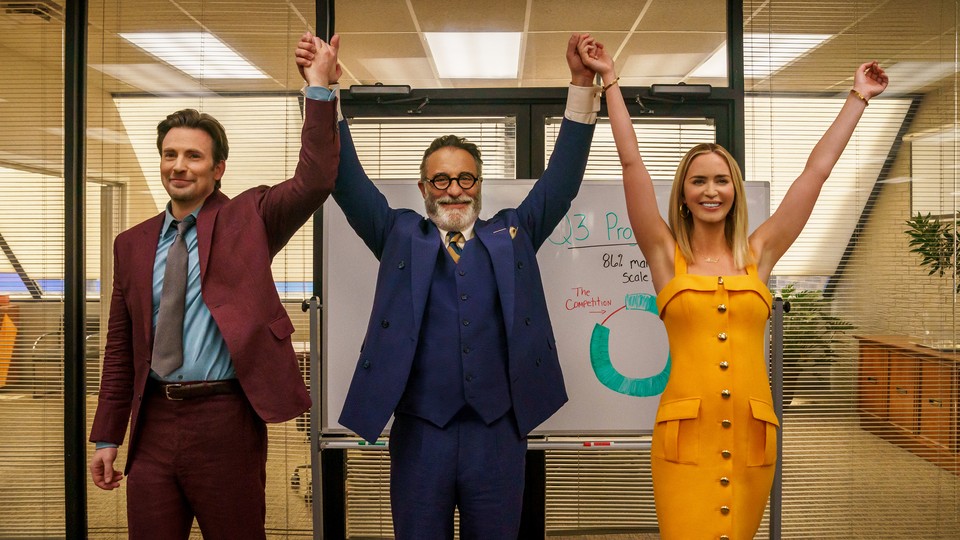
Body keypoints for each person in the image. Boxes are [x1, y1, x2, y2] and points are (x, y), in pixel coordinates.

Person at [577, 38, 887, 539]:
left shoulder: (758, 255)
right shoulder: (665, 255)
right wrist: (610, 82)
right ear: (683, 194)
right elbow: (633, 166)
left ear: (734, 190)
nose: (710, 191)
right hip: (684, 443)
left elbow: (816, 173)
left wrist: (858, 98)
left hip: (751, 437)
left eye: (721, 180)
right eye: (698, 181)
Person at [295, 32, 600, 539]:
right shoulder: (398, 235)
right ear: (422, 188)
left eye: (466, 179)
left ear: (480, 184)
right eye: (441, 180)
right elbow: (346, 182)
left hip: (499, 434)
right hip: (420, 435)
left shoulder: (514, 233)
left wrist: (580, 85)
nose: (454, 189)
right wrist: (326, 92)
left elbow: (562, 182)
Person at [87, 38, 342, 539]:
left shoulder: (250, 217)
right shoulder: (131, 245)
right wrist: (106, 435)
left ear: (218, 168)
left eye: (193, 156)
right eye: (169, 154)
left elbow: (314, 180)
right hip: (153, 421)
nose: (178, 165)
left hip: (226, 419)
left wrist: (318, 90)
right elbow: (121, 349)